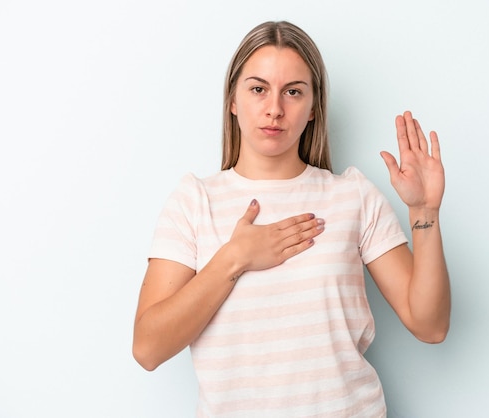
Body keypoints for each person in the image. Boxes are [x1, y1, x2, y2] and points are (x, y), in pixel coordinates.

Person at [133, 20, 451, 418]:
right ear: (233, 100)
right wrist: (235, 258)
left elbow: (430, 325)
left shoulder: (351, 195)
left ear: (314, 107)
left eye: (293, 92)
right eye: (258, 88)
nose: (275, 109)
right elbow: (148, 348)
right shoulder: (194, 200)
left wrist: (424, 212)